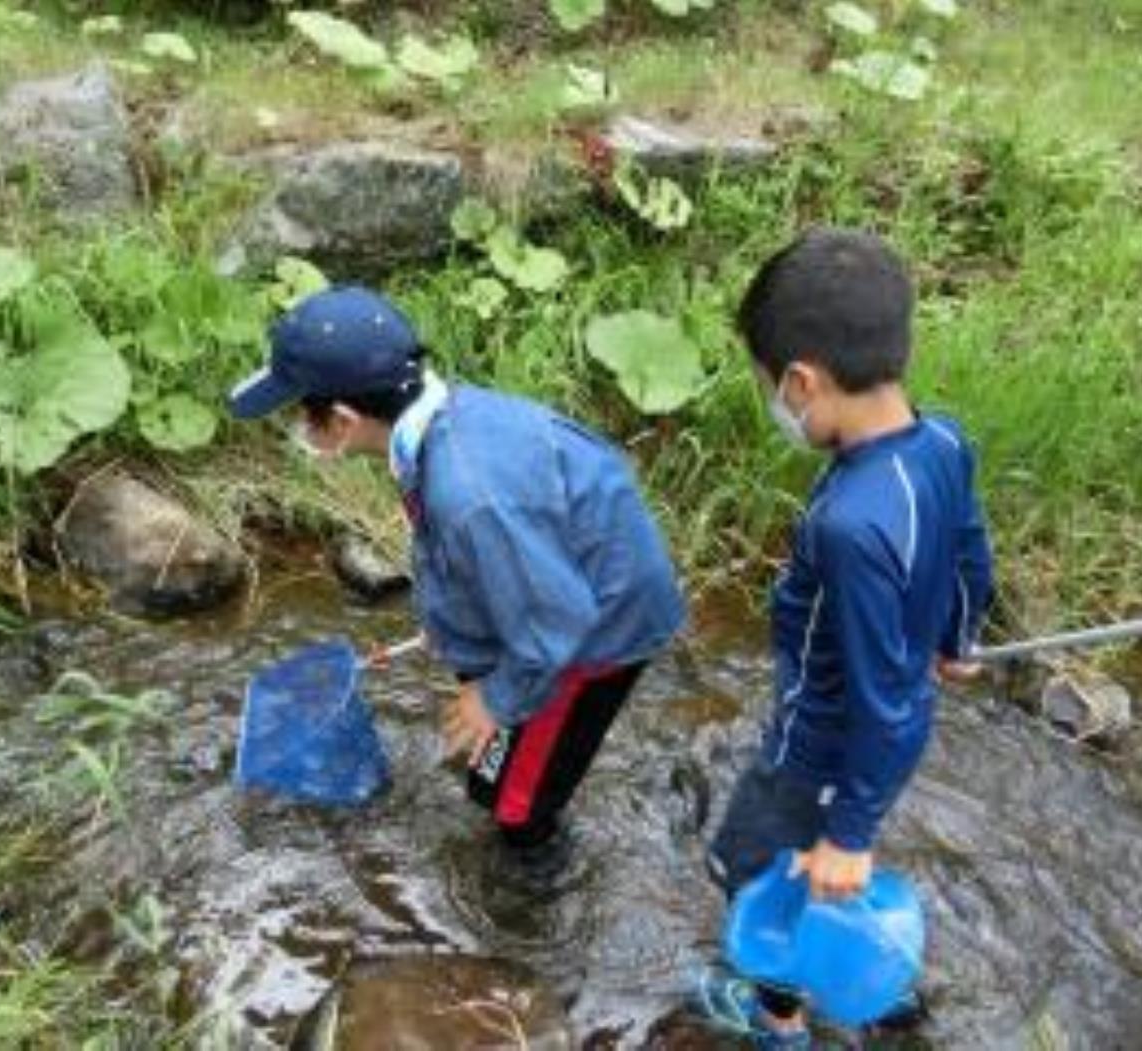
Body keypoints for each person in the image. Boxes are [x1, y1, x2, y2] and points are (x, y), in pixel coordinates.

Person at [228, 285, 685, 869]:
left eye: (300, 410)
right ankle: (513, 746)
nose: (299, 424)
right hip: (567, 580)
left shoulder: (469, 493)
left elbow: (556, 624)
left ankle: (531, 904)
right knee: (493, 765)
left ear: (343, 420)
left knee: (513, 806)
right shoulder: (447, 419)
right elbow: (499, 556)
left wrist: (495, 699)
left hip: (596, 632)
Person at [700, 228, 993, 1048]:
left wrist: (850, 828)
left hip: (817, 744)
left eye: (771, 389)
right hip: (870, 731)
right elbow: (969, 549)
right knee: (814, 862)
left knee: (750, 869)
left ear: (802, 381)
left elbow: (881, 697)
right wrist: (956, 634)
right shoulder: (941, 442)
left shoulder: (848, 526)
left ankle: (778, 1017)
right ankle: (878, 982)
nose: (777, 408)